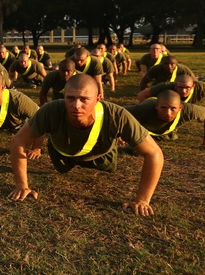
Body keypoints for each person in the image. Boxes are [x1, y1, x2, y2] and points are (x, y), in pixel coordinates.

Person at [9, 74, 164, 216]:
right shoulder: (51, 110)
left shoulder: (117, 115)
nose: (76, 105)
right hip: (62, 154)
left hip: (101, 155)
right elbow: (19, 141)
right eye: (70, 98)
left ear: (98, 98)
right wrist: (22, 185)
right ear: (64, 96)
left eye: (84, 99)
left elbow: (154, 153)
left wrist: (143, 200)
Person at [126, 91, 205, 151]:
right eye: (163, 108)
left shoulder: (189, 110)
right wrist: (120, 135)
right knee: (134, 150)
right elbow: (117, 113)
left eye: (173, 109)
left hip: (166, 133)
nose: (168, 113)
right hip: (143, 129)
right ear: (156, 107)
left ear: (180, 108)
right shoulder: (144, 108)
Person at [137, 74, 205, 112]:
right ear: (175, 86)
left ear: (193, 86)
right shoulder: (165, 86)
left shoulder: (202, 87)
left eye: (187, 88)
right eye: (180, 87)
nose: (183, 91)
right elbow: (141, 95)